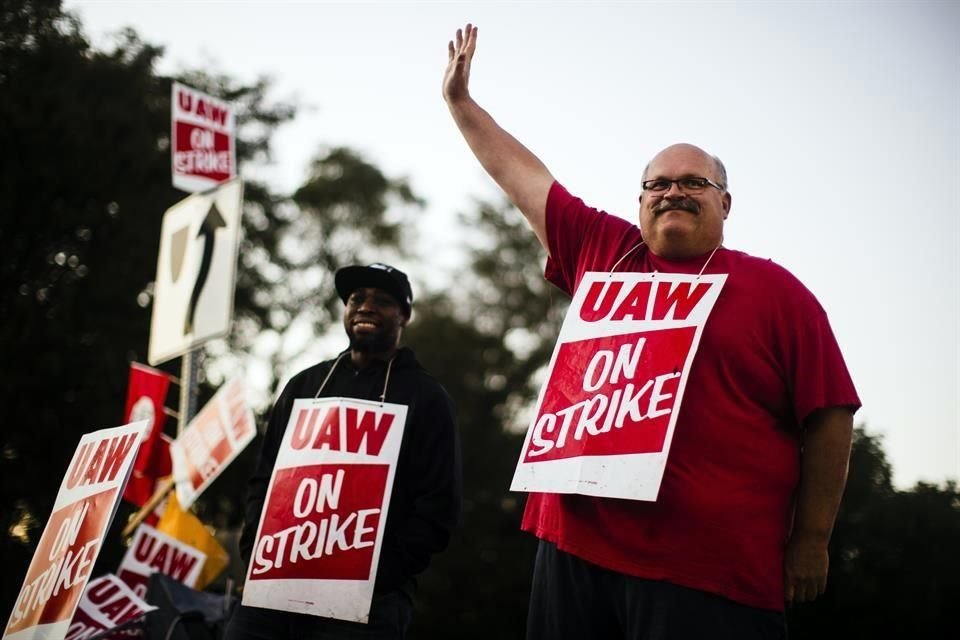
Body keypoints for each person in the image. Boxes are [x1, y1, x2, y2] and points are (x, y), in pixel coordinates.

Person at [443, 24, 860, 639]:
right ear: (640, 203)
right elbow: (522, 178)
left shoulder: (778, 293)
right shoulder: (605, 251)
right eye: (657, 184)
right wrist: (461, 103)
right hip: (573, 549)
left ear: (726, 203)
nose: (673, 192)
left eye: (694, 182)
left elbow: (830, 416)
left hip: (709, 570)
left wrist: (812, 539)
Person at [225, 263, 462, 640]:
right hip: (271, 593)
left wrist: (378, 571)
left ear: (404, 315)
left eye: (382, 301)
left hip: (366, 607)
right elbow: (265, 476)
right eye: (356, 299)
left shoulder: (426, 398)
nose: (366, 307)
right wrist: (255, 545)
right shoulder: (304, 385)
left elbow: (438, 507)